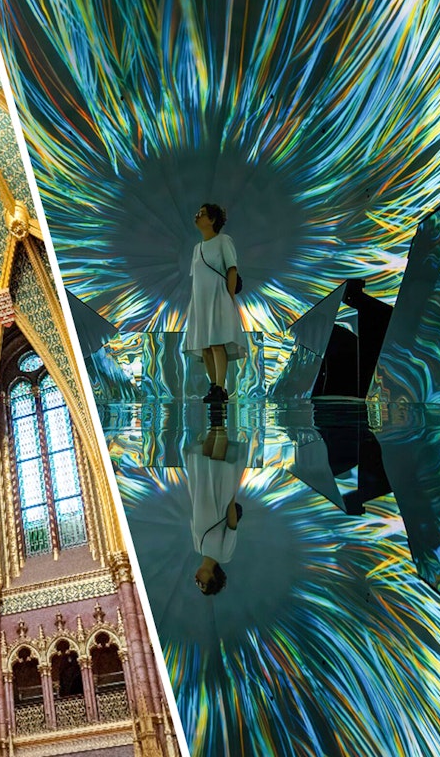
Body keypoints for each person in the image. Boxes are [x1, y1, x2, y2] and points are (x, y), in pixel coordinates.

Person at [184, 203, 246, 403]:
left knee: (217, 343)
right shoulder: (197, 249)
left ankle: (221, 386)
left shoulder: (223, 241)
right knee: (205, 346)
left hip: (218, 297)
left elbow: (232, 269)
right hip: (200, 301)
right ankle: (213, 386)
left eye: (202, 214)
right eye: (198, 212)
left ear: (212, 220)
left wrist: (229, 297)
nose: (197, 216)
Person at [190, 426, 244, 595]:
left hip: (200, 498)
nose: (198, 581)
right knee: (217, 464)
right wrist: (230, 498)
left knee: (203, 462)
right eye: (203, 584)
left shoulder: (197, 548)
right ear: (213, 578)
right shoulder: (224, 555)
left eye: (198, 585)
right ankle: (219, 421)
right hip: (219, 503)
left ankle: (212, 426)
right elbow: (232, 526)